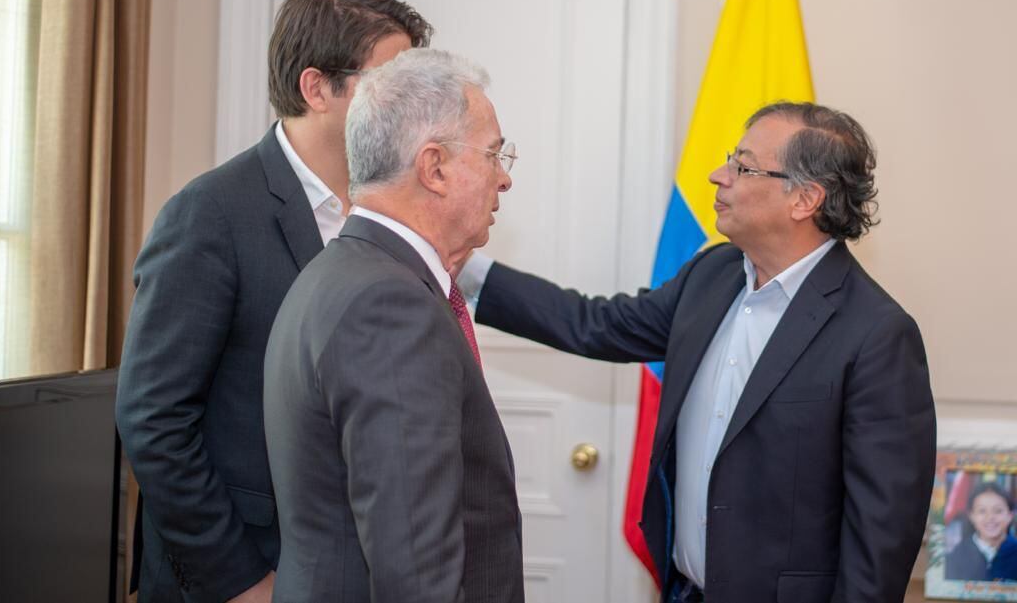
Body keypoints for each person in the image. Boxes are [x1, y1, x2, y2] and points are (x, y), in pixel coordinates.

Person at [457, 102, 936, 603]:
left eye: (742, 165)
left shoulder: (878, 335)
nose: (717, 176)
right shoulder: (712, 274)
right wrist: (459, 264)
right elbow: (597, 324)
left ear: (805, 199)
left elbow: (880, 539)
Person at [116, 0, 431, 603]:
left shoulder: (388, 211)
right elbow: (152, 419)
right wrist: (240, 581)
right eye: (390, 85)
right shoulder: (209, 213)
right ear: (317, 88)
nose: (411, 108)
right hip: (243, 572)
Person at [263, 48, 522, 603]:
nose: (504, 180)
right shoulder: (389, 306)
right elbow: (415, 569)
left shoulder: (342, 271)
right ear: (434, 167)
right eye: (495, 156)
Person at [946, 482, 1017, 582]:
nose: (990, 517)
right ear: (971, 516)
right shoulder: (955, 557)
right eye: (982, 511)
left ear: (1010, 515)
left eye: (998, 511)